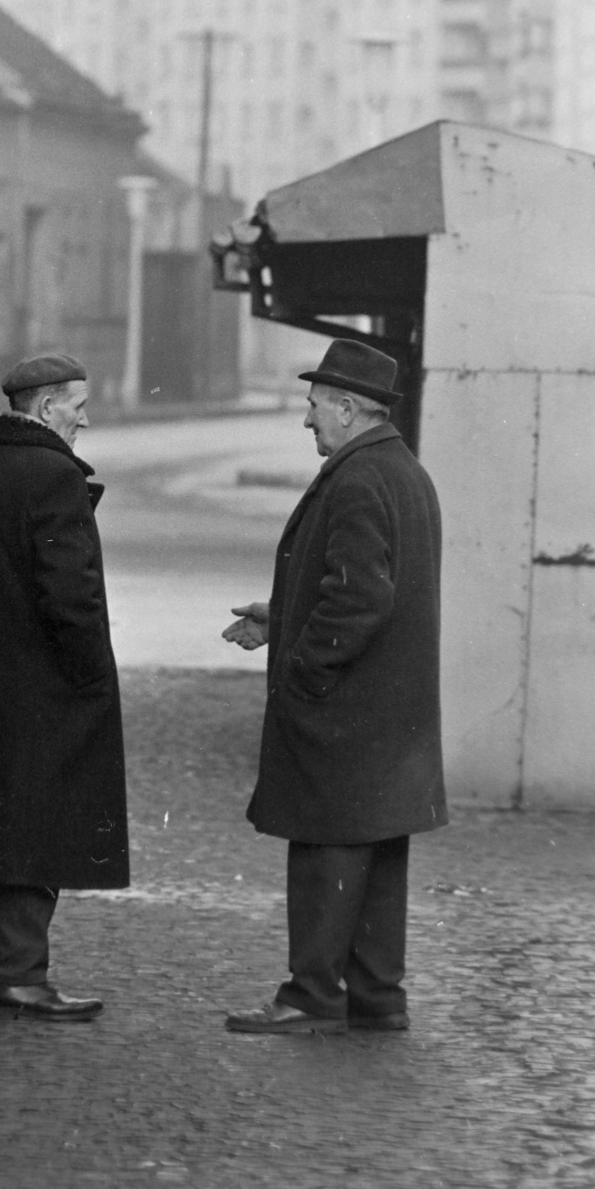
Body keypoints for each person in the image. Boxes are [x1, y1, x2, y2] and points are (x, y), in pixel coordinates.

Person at [222, 339, 446, 1035]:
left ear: (347, 409)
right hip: (391, 716)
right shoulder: (402, 471)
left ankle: (310, 994)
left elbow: (358, 600)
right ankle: (377, 997)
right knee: (376, 853)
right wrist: (281, 618)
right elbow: (367, 585)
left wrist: (300, 668)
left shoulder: (354, 480)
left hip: (344, 712)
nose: (307, 420)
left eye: (314, 406)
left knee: (326, 850)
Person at [0, 353, 129, 1021]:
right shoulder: (54, 478)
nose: (85, 419)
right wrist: (91, 676)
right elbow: (71, 598)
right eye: (77, 406)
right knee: (35, 832)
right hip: (43, 694)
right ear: (43, 409)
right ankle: (17, 974)